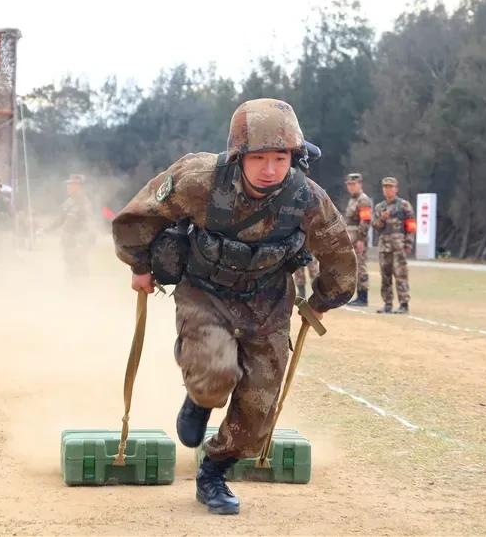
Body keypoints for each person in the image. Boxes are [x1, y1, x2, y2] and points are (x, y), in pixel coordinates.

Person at [112, 98, 355, 515]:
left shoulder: (307, 197)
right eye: (258, 157)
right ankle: (200, 398)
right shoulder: (199, 179)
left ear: (293, 157)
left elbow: (336, 251)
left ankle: (214, 472)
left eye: (280, 158)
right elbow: (141, 214)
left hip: (267, 303)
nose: (269, 168)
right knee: (215, 372)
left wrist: (325, 298)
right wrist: (139, 264)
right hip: (205, 292)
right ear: (239, 154)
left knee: (259, 407)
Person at [372, 176, 414, 314]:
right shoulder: (380, 207)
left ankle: (404, 303)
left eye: (390, 187)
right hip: (384, 247)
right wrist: (381, 219)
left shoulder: (404, 205)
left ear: (396, 189)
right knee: (385, 276)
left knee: (400, 274)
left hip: (398, 246)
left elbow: (411, 226)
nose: (388, 190)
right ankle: (387, 303)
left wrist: (409, 243)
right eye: (385, 187)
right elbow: (376, 227)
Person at [45, 174, 94, 275]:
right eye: (68, 185)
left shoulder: (84, 204)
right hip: (68, 243)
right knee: (70, 268)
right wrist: (46, 229)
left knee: (79, 270)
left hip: (78, 244)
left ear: (78, 186)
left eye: (71, 185)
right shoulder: (69, 202)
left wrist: (83, 244)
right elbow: (60, 219)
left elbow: (89, 225)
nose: (68, 187)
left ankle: (81, 287)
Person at [343, 173, 373, 306]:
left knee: (360, 266)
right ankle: (356, 295)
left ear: (360, 184)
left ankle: (363, 297)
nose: (351, 187)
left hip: (358, 236)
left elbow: (365, 220)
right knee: (352, 267)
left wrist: (361, 239)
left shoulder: (363, 200)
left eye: (353, 184)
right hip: (350, 236)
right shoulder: (352, 200)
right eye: (349, 184)